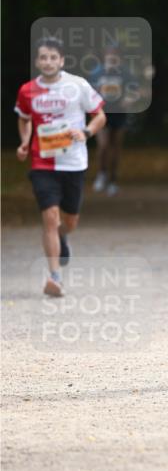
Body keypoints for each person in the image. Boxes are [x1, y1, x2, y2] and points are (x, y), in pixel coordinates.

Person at [15, 37, 106, 297]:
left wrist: (86, 132)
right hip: (42, 163)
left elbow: (100, 115)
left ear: (62, 60)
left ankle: (64, 237)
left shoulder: (77, 86)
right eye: (43, 57)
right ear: (37, 61)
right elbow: (24, 119)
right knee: (50, 218)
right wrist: (24, 142)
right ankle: (54, 276)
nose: (48, 62)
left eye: (53, 57)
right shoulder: (27, 90)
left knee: (69, 221)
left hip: (73, 163)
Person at [90, 46, 137, 196]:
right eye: (109, 55)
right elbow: (90, 92)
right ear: (104, 56)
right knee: (103, 145)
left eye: (115, 55)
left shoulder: (125, 73)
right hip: (102, 114)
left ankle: (113, 180)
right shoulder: (97, 72)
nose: (112, 58)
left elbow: (134, 91)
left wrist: (128, 100)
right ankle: (102, 173)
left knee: (116, 146)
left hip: (119, 114)